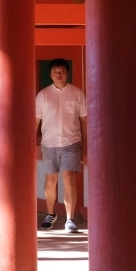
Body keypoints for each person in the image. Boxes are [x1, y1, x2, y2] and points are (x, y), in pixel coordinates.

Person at [35, 58, 87, 233]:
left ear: (67, 72)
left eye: (62, 70)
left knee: (69, 178)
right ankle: (50, 214)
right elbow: (36, 121)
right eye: (55, 71)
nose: (59, 73)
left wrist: (86, 146)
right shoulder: (43, 95)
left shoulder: (78, 94)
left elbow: (84, 121)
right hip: (49, 143)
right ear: (50, 74)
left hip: (71, 142)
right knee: (51, 181)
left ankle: (70, 219)